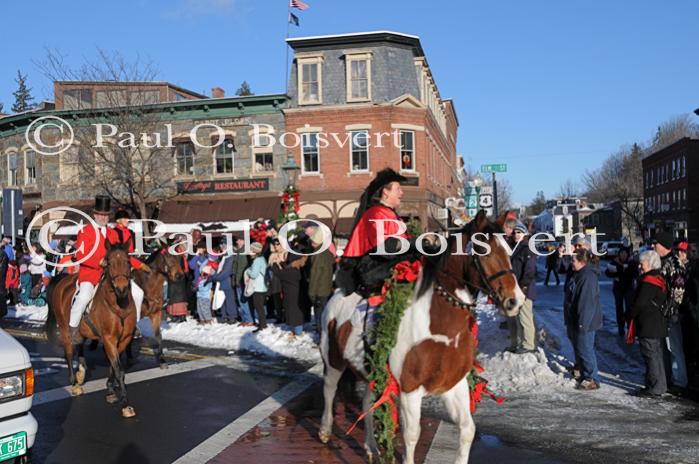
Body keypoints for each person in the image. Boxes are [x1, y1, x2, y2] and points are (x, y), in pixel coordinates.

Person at [337, 167, 409, 298]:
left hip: (391, 266)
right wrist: (415, 244)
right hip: (375, 272)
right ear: (386, 192)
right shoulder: (376, 213)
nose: (402, 193)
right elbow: (386, 248)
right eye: (398, 189)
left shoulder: (389, 213)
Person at [69, 195, 112, 343]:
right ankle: (73, 328)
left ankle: (131, 325)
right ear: (95, 215)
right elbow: (81, 254)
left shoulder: (112, 233)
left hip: (110, 274)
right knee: (84, 297)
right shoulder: (85, 231)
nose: (103, 218)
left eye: (106, 215)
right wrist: (99, 262)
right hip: (90, 274)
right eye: (101, 214)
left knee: (133, 293)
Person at [626, 250, 668, 397]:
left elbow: (640, 303)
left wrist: (629, 313)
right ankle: (659, 386)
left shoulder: (648, 281)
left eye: (642, 263)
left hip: (648, 324)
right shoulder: (658, 277)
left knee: (651, 356)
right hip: (656, 323)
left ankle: (655, 388)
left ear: (649, 264)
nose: (639, 266)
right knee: (656, 356)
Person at [652, 232, 688, 393]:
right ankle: (667, 378)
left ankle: (680, 382)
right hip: (659, 313)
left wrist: (669, 310)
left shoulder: (675, 264)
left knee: (674, 348)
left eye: (656, 244)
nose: (653, 246)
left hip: (671, 314)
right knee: (663, 349)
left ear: (663, 245)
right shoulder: (659, 261)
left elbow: (678, 291)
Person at [564, 249, 602, 391]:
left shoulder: (587, 277)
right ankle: (583, 374)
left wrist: (582, 323)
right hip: (576, 320)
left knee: (586, 350)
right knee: (580, 349)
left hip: (585, 322)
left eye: (573, 260)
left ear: (581, 261)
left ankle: (592, 379)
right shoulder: (578, 274)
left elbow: (586, 303)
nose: (571, 263)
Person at [107, 209, 151, 322]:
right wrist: (139, 264)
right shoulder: (113, 232)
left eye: (127, 218)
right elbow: (118, 255)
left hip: (127, 268)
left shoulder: (129, 232)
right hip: (115, 269)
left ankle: (134, 322)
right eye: (125, 218)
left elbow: (130, 253)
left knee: (139, 293)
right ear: (118, 220)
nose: (127, 220)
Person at [507, 222, 538, 354]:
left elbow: (530, 271)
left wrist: (523, 288)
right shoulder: (512, 248)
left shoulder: (527, 248)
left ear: (524, 234)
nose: (516, 235)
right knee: (513, 318)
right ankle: (517, 343)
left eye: (519, 232)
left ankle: (529, 344)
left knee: (525, 318)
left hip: (524, 290)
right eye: (514, 232)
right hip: (512, 289)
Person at [308, 228, 335, 333]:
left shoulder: (317, 254)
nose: (311, 243)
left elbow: (315, 276)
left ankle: (322, 334)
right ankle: (325, 332)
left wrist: (311, 294)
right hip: (326, 287)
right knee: (325, 312)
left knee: (319, 314)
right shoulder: (327, 252)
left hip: (319, 289)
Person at [605, 247, 637, 337]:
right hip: (618, 288)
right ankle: (621, 328)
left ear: (627, 254)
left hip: (628, 287)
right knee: (619, 308)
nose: (623, 255)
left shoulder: (632, 262)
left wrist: (626, 270)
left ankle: (630, 328)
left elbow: (635, 273)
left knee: (629, 308)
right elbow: (607, 272)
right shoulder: (615, 262)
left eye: (625, 253)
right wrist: (617, 272)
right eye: (621, 253)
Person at [210, 238, 238, 324]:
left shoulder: (230, 256)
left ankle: (232, 316)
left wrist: (214, 277)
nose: (222, 247)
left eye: (224, 245)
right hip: (222, 282)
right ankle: (224, 315)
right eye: (221, 245)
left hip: (227, 281)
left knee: (229, 299)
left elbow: (226, 272)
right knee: (222, 299)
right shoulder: (224, 256)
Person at [244, 242, 268, 332]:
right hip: (261, 287)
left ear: (255, 251)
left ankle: (262, 325)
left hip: (259, 287)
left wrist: (248, 270)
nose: (249, 252)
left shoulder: (258, 260)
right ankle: (263, 324)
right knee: (260, 307)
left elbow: (253, 274)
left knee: (259, 307)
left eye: (251, 250)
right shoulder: (261, 259)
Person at [232, 236, 254, 326]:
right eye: (237, 240)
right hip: (241, 278)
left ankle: (249, 319)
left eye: (239, 239)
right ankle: (246, 319)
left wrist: (237, 280)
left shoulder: (242, 251)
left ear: (244, 241)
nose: (237, 241)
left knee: (243, 300)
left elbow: (240, 267)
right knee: (242, 300)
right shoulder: (240, 251)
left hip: (241, 279)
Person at [167, 239, 190, 323]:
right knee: (176, 297)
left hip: (178, 277)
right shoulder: (178, 253)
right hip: (177, 277)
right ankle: (177, 315)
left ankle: (180, 315)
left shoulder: (179, 254)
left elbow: (183, 265)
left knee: (178, 297)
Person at [266, 238, 286, 321]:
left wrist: (279, 263)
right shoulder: (272, 255)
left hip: (282, 279)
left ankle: (285, 315)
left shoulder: (285, 253)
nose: (276, 246)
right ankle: (279, 315)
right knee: (276, 299)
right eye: (274, 244)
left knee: (283, 299)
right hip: (273, 280)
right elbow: (269, 267)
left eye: (278, 244)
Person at [195, 261, 215, 325]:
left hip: (205, 296)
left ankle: (208, 319)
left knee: (205, 308)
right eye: (203, 274)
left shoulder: (209, 281)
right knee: (199, 308)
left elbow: (206, 288)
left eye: (205, 274)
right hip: (199, 296)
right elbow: (197, 285)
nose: (203, 275)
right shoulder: (200, 279)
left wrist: (198, 288)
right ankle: (202, 319)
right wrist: (196, 287)